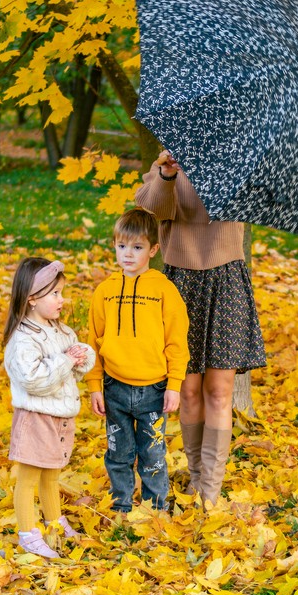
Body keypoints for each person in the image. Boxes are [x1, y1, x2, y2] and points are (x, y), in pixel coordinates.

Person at [136, 152, 266, 508]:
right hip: (180, 282)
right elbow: (155, 210)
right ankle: (196, 478)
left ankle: (211, 489)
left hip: (226, 280)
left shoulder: (241, 160)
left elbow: (249, 201)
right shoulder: (168, 164)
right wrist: (165, 173)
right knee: (188, 390)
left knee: (220, 391)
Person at [86, 208, 189, 514]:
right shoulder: (104, 292)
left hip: (154, 390)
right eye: (121, 246)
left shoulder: (163, 291)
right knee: (118, 453)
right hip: (114, 388)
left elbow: (176, 342)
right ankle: (121, 507)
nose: (128, 254)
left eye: (137, 247)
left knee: (153, 455)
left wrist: (175, 385)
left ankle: (155, 510)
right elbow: (93, 342)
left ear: (153, 250)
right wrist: (94, 386)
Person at [3, 258, 95, 559]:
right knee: (29, 476)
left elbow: (74, 364)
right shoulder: (22, 339)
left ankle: (54, 522)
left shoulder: (61, 331)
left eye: (61, 293)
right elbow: (35, 380)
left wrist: (83, 357)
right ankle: (28, 534)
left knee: (52, 474)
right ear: (31, 299)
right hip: (36, 417)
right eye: (54, 294)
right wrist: (67, 360)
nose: (62, 300)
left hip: (61, 417)